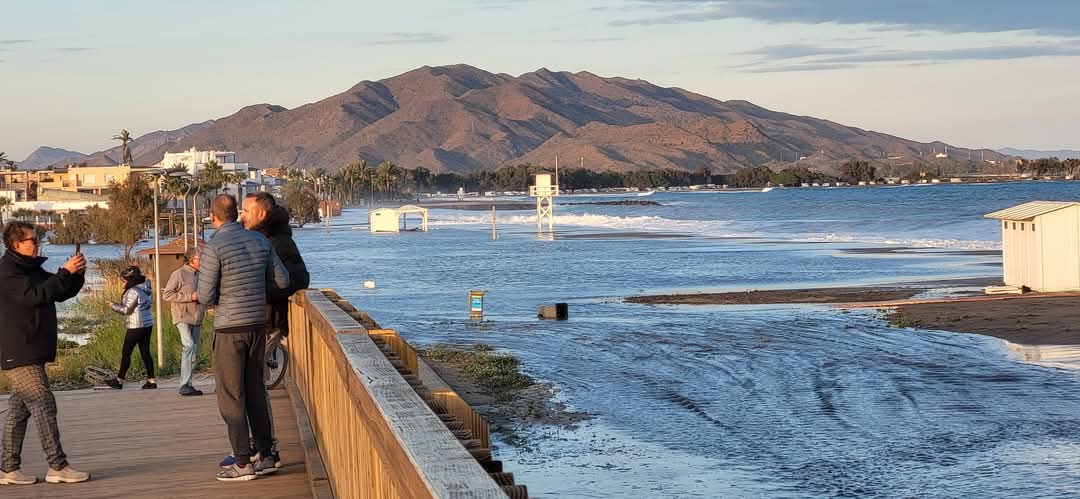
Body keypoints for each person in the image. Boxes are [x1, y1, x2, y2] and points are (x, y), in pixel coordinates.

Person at [198, 194, 289, 482]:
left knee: (231, 397)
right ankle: (268, 454)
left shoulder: (215, 247)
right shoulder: (261, 241)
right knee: (256, 391)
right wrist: (255, 288)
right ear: (237, 213)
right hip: (257, 326)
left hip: (229, 330)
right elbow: (284, 281)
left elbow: (204, 296)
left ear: (213, 217)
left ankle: (242, 462)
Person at [217, 192, 309, 470]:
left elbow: (298, 279)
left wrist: (253, 292)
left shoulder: (279, 242)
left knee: (252, 388)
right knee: (251, 387)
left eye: (246, 211)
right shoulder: (261, 240)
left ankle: (264, 450)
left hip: (267, 323)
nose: (241, 216)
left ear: (263, 214)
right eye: (241, 211)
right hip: (257, 320)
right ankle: (258, 449)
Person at [0, 221, 91, 485]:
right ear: (17, 244)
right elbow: (36, 296)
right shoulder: (7, 272)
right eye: (33, 240)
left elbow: (58, 291)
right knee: (43, 403)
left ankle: (8, 469)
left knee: (19, 411)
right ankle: (57, 466)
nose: (37, 244)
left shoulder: (30, 268)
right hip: (19, 351)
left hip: (32, 349)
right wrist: (64, 271)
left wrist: (76, 274)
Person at [106, 266, 156, 390]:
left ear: (131, 279)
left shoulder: (133, 291)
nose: (123, 282)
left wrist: (113, 306)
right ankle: (151, 380)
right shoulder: (145, 288)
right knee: (145, 353)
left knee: (126, 353)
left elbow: (126, 310)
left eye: (125, 280)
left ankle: (119, 380)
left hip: (135, 326)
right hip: (147, 324)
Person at [163, 249, 205, 396]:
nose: (203, 260)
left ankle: (188, 384)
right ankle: (184, 385)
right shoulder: (179, 274)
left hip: (197, 317)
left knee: (194, 353)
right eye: (200, 258)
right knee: (188, 346)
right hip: (182, 316)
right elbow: (166, 295)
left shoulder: (203, 275)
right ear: (191, 259)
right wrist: (191, 296)